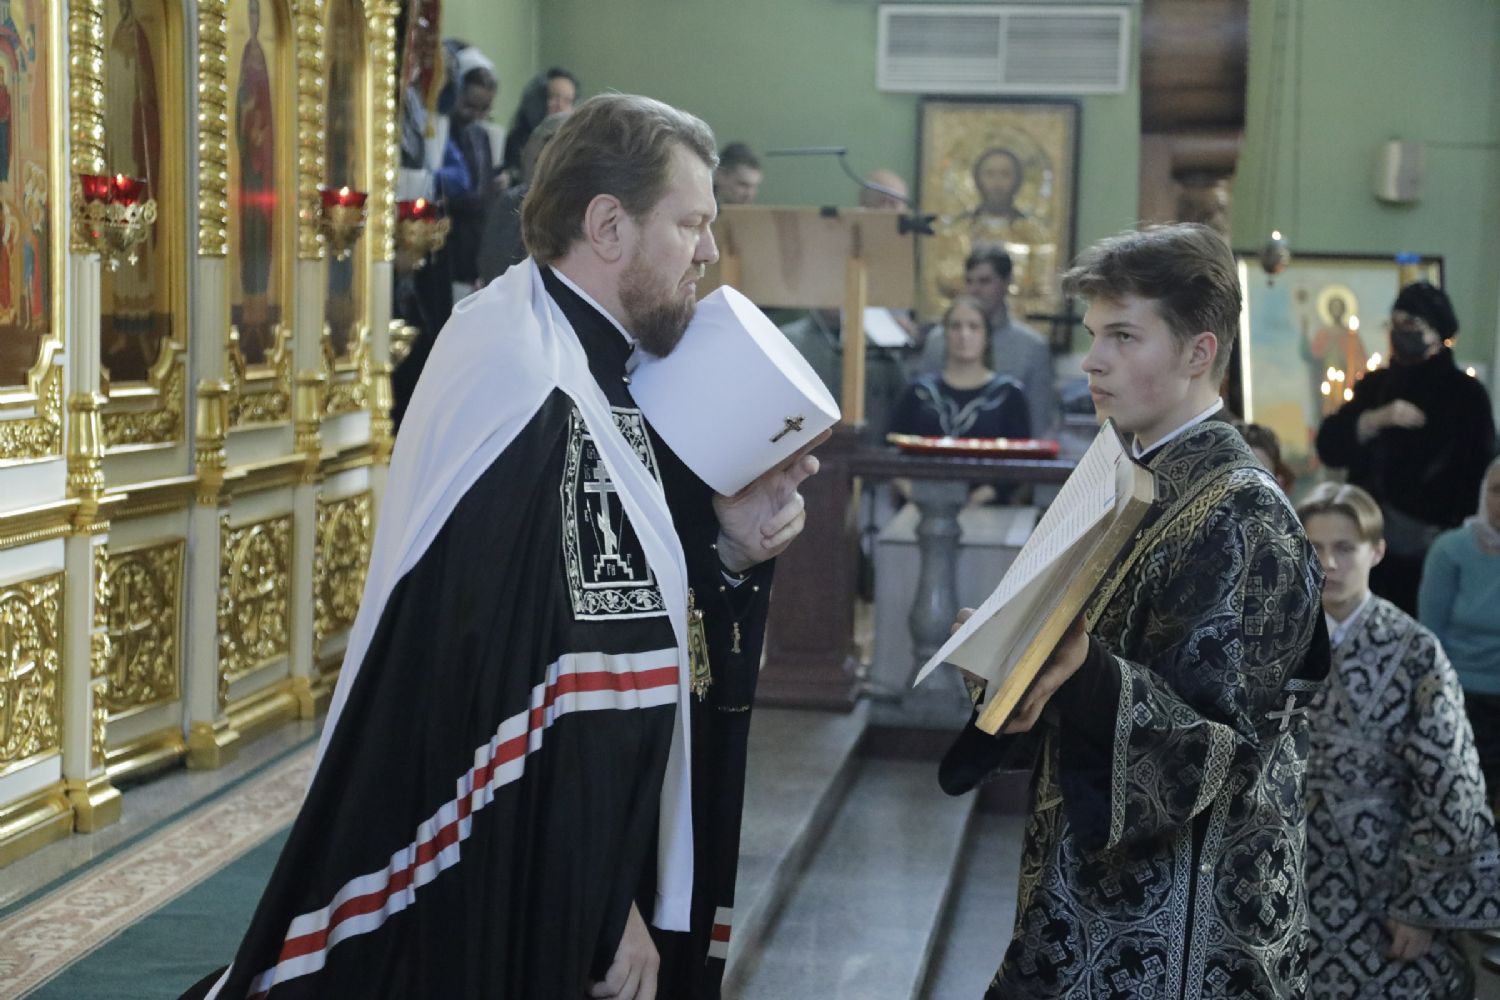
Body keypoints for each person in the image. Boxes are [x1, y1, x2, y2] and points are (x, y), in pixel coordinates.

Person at [180, 94, 821, 1000]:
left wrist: (728, 556)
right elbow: (529, 691)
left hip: (575, 846)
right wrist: (604, 908)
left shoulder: (590, 358)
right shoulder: (529, 385)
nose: (709, 252)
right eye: (691, 224)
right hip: (528, 868)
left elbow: (620, 614)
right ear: (608, 226)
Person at [939, 222, 1328, 999]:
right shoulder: (1126, 478)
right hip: (1085, 889)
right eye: (1093, 335)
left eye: (1122, 335)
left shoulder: (1243, 512)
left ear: (1198, 352)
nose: (1092, 360)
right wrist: (1014, 658)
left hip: (1183, 927)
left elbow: (1223, 751)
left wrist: (1082, 672)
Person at [1299, 482, 1500, 1000]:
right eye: (1314, 547)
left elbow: (1452, 786)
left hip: (1387, 880)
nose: (1329, 563)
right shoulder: (1275, 644)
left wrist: (1421, 905)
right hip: (1291, 881)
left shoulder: (1415, 652)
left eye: (1345, 547)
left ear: (1377, 551)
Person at [1316, 281, 1495, 614]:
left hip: (1432, 550)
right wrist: (1373, 419)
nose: (1400, 332)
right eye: (1395, 322)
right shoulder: (1375, 386)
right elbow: (1329, 446)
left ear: (1437, 332)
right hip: (1367, 548)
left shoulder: (1466, 394)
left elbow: (1480, 475)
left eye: (1411, 324)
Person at [1421, 457, 1500, 799]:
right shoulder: (1450, 549)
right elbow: (1430, 637)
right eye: (1497, 490)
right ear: (1483, 494)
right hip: (1461, 692)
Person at [916, 246, 1057, 437]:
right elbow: (923, 404)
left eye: (985, 281)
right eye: (969, 281)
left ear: (1006, 282)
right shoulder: (939, 340)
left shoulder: (1031, 347)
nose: (975, 290)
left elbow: (1039, 421)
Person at [433, 43, 500, 298]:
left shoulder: (480, 135)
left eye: (484, 109)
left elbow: (484, 186)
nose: (475, 115)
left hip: (475, 238)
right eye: (470, 105)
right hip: (448, 236)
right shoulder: (441, 129)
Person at [475, 111, 569, 286]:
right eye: (545, 144)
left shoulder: (577, 217)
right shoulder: (510, 202)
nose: (546, 156)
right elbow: (493, 269)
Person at [500, 66, 579, 185]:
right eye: (553, 97)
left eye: (567, 100)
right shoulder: (516, 142)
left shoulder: (579, 144)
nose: (560, 106)